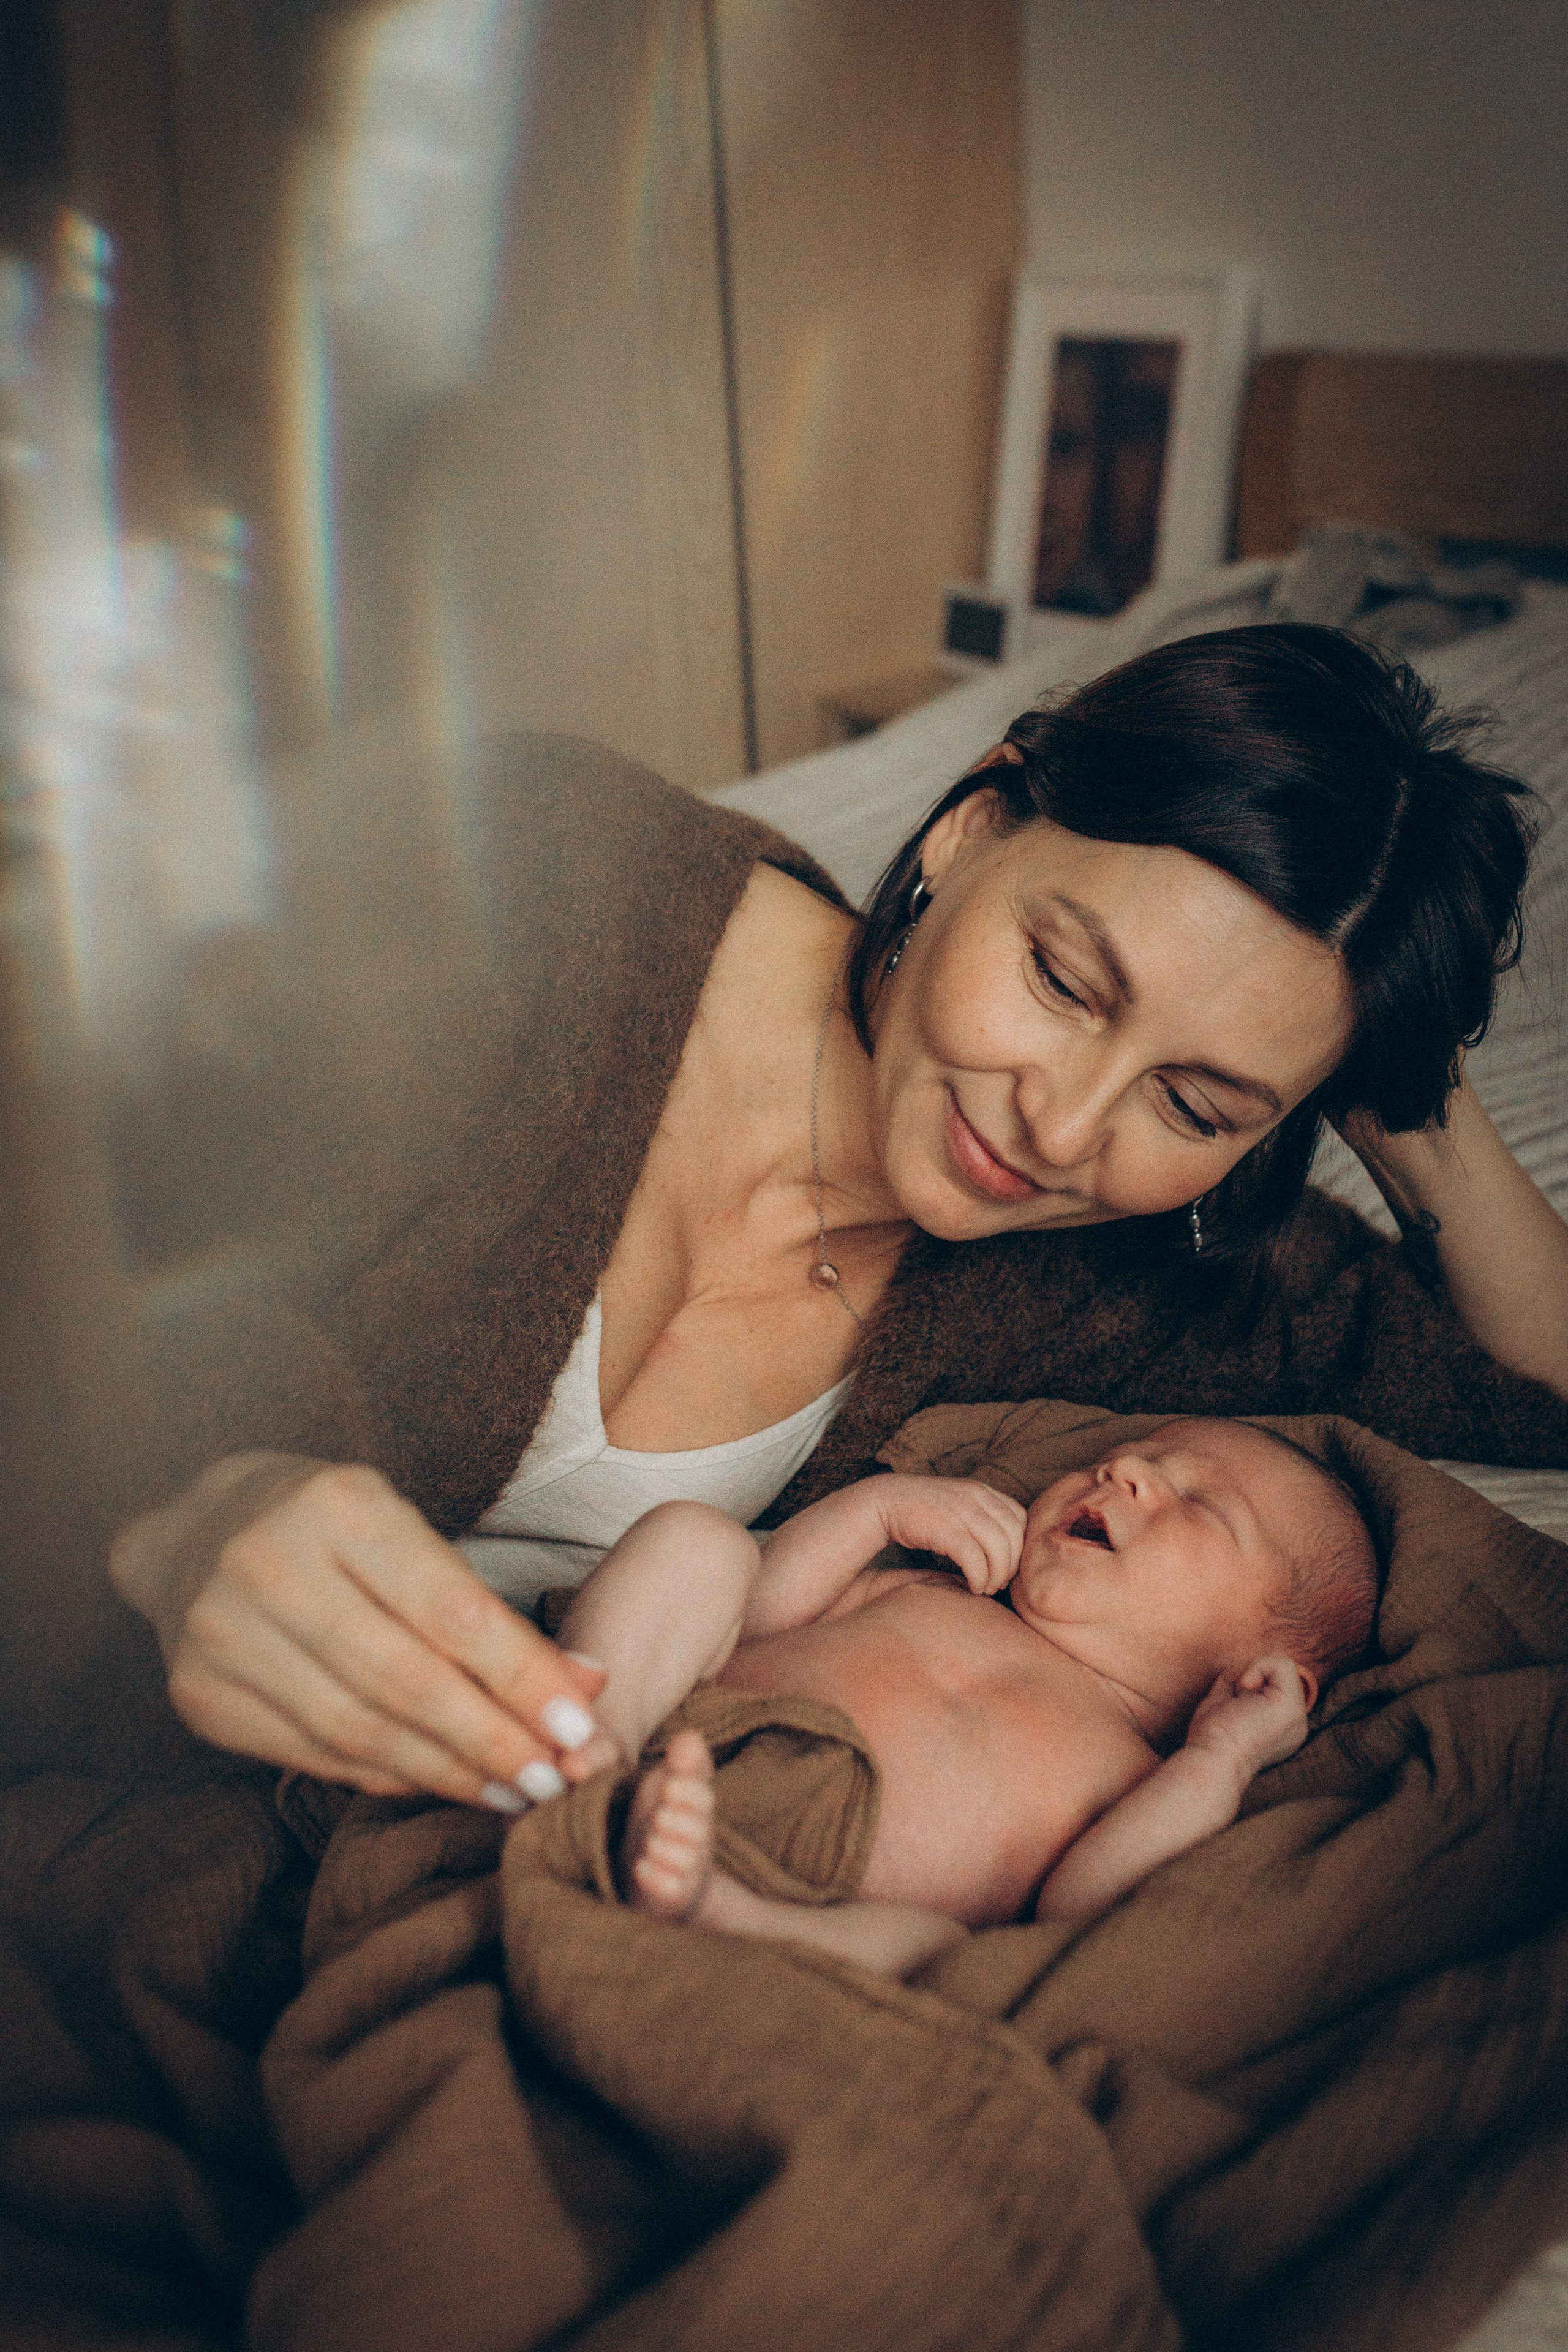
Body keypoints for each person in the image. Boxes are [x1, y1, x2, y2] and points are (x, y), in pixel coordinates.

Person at [107, 627, 1568, 1817]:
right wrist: (192, 1511)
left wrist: (1400, 1089)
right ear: (977, 821)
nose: (1058, 1131)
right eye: (1062, 981)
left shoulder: (1124, 1274)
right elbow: (76, 1197)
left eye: (1191, 1104)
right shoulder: (525, 875)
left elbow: (1532, 1387)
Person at [545, 1417, 1376, 1977]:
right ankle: (588, 1742)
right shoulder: (937, 1594)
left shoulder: (1145, 1775)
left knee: (939, 1951)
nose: (1123, 1468)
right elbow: (754, 1621)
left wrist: (1225, 1755)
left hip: (810, 1902)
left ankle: (716, 1913)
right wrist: (878, 1512)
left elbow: (1081, 1907)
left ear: (1262, 1672)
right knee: (700, 1544)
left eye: (1200, 1503)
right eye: (1126, 1461)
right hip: (683, 1738)